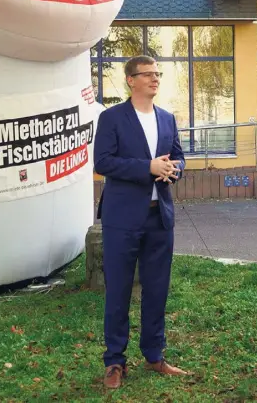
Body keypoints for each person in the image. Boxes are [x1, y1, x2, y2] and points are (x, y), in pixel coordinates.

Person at [94, 55, 188, 389]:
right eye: (147, 74)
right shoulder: (112, 118)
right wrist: (146, 167)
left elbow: (179, 156)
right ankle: (115, 361)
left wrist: (174, 168)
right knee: (118, 290)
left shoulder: (167, 118)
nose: (155, 79)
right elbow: (103, 162)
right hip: (122, 219)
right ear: (130, 80)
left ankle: (154, 355)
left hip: (158, 217)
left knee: (157, 289)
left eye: (157, 74)